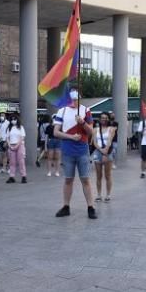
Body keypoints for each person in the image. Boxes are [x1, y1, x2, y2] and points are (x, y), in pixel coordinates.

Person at [53, 86, 97, 219]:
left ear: (80, 97)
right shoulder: (62, 111)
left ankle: (90, 207)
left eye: (76, 97)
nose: (73, 100)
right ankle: (66, 207)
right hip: (67, 151)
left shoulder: (86, 110)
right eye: (71, 96)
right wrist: (71, 137)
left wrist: (82, 122)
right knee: (68, 179)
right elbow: (56, 132)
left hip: (82, 150)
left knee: (85, 179)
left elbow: (91, 131)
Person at [91, 112, 116, 201]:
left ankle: (108, 195)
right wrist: (101, 151)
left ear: (108, 119)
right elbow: (94, 142)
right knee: (98, 175)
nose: (103, 119)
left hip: (108, 152)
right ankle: (98, 195)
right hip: (98, 152)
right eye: (102, 118)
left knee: (107, 175)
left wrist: (105, 152)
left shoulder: (111, 129)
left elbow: (109, 141)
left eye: (105, 118)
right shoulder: (95, 129)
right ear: (99, 119)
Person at [5, 113, 27, 184]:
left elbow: (22, 137)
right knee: (12, 162)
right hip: (11, 145)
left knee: (21, 161)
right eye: (12, 119)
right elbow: (7, 138)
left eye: (14, 119)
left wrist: (17, 145)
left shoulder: (21, 127)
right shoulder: (9, 128)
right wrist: (9, 145)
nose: (13, 121)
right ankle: (12, 176)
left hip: (20, 145)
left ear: (17, 120)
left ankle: (23, 176)